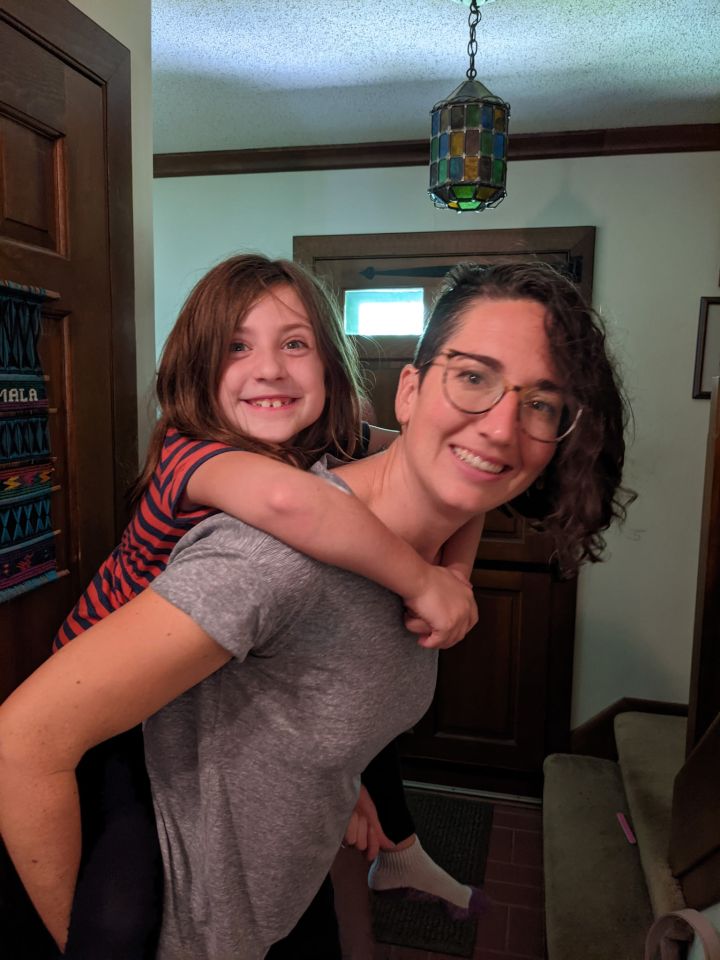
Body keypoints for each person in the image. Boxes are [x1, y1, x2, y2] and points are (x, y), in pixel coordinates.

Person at [0, 259, 634, 959]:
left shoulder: (333, 448)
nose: (501, 427)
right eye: (474, 377)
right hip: (109, 729)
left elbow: (467, 465)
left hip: (269, 888)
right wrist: (425, 582)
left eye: (541, 403)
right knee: (115, 917)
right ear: (411, 390)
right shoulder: (227, 494)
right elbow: (290, 507)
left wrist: (454, 573)